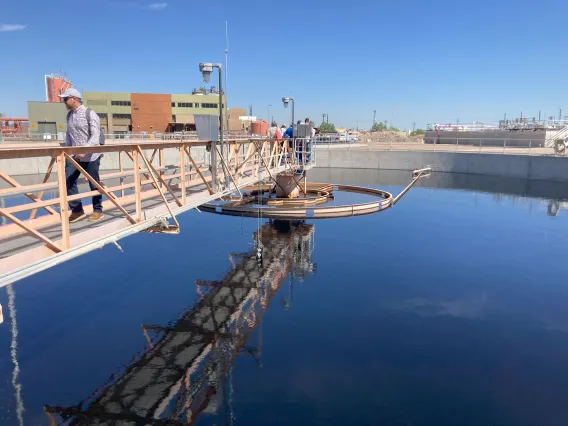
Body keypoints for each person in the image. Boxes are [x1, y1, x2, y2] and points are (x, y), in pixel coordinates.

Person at [59, 88, 104, 223]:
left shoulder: (90, 114)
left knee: (93, 182)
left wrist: (85, 149)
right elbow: (69, 134)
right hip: (74, 155)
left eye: (66, 99)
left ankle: (98, 210)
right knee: (68, 180)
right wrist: (66, 149)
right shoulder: (69, 115)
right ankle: (77, 210)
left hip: (90, 156)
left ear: (74, 99)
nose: (64, 101)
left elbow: (95, 135)